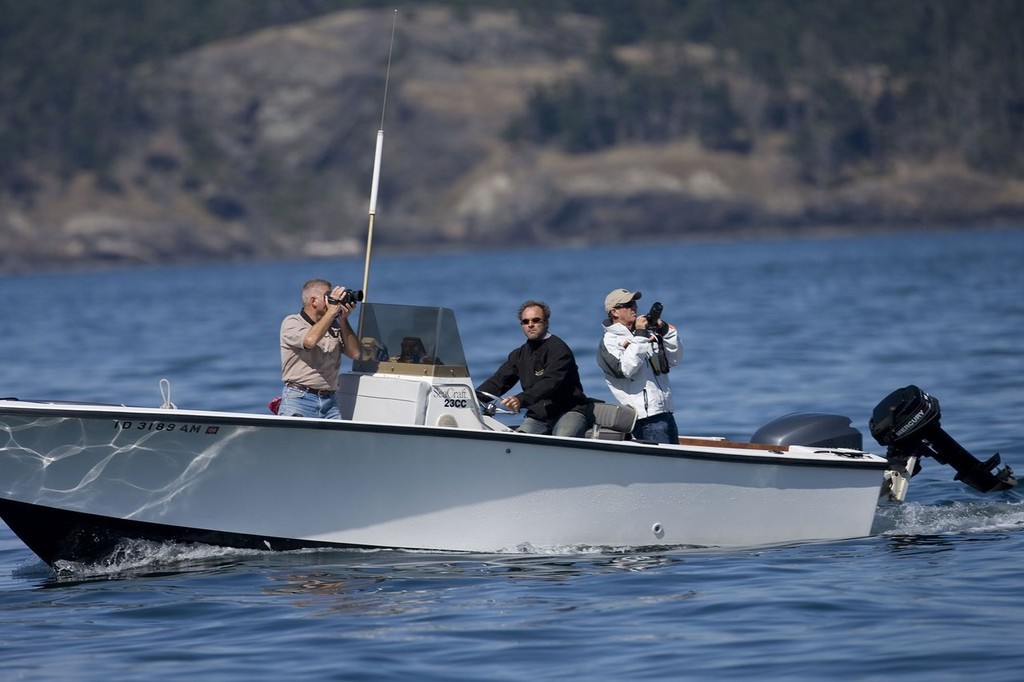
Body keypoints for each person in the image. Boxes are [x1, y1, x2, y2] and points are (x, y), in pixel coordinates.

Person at [476, 300, 593, 437]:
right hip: (538, 417)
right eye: (525, 322)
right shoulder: (519, 354)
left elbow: (550, 383)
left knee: (562, 440)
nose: (530, 325)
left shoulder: (559, 350)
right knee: (518, 443)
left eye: (535, 320)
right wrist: (471, 399)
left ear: (546, 322)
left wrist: (521, 399)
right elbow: (498, 382)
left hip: (568, 412)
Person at [597, 288, 682, 443]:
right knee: (660, 464)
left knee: (672, 464)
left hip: (665, 412)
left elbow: (673, 360)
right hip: (645, 418)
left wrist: (666, 332)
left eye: (634, 303)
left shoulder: (645, 334)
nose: (635, 308)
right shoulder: (609, 341)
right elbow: (626, 369)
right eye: (628, 304)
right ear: (614, 312)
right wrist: (641, 336)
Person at [279, 278, 360, 419]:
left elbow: (355, 353)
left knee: (336, 440)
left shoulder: (334, 324)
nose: (332, 302)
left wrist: (343, 319)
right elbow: (310, 341)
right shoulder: (292, 322)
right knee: (295, 440)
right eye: (328, 297)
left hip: (330, 401)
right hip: (299, 399)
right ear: (313, 301)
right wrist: (331, 312)